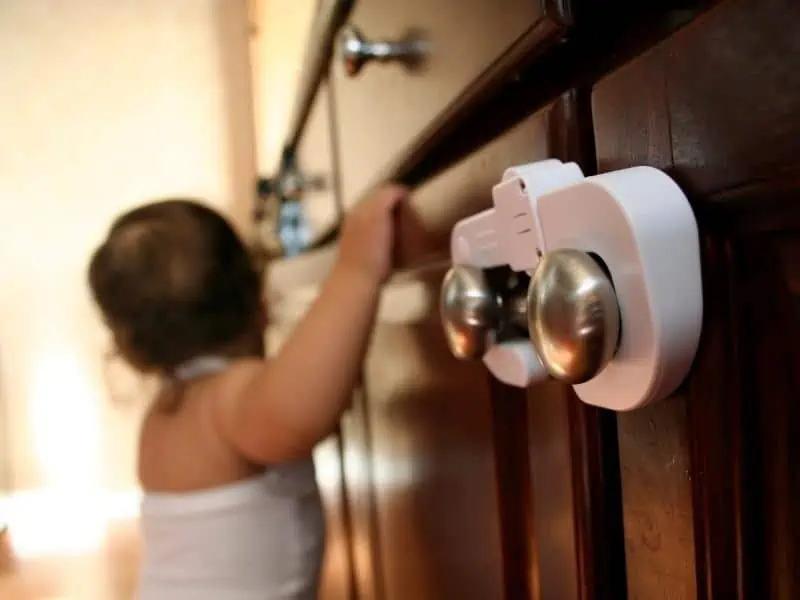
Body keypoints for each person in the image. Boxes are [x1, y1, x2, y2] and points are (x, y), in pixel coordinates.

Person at [88, 185, 407, 600]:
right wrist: (356, 271)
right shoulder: (225, 401)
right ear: (258, 297)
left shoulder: (170, 412)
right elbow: (302, 412)